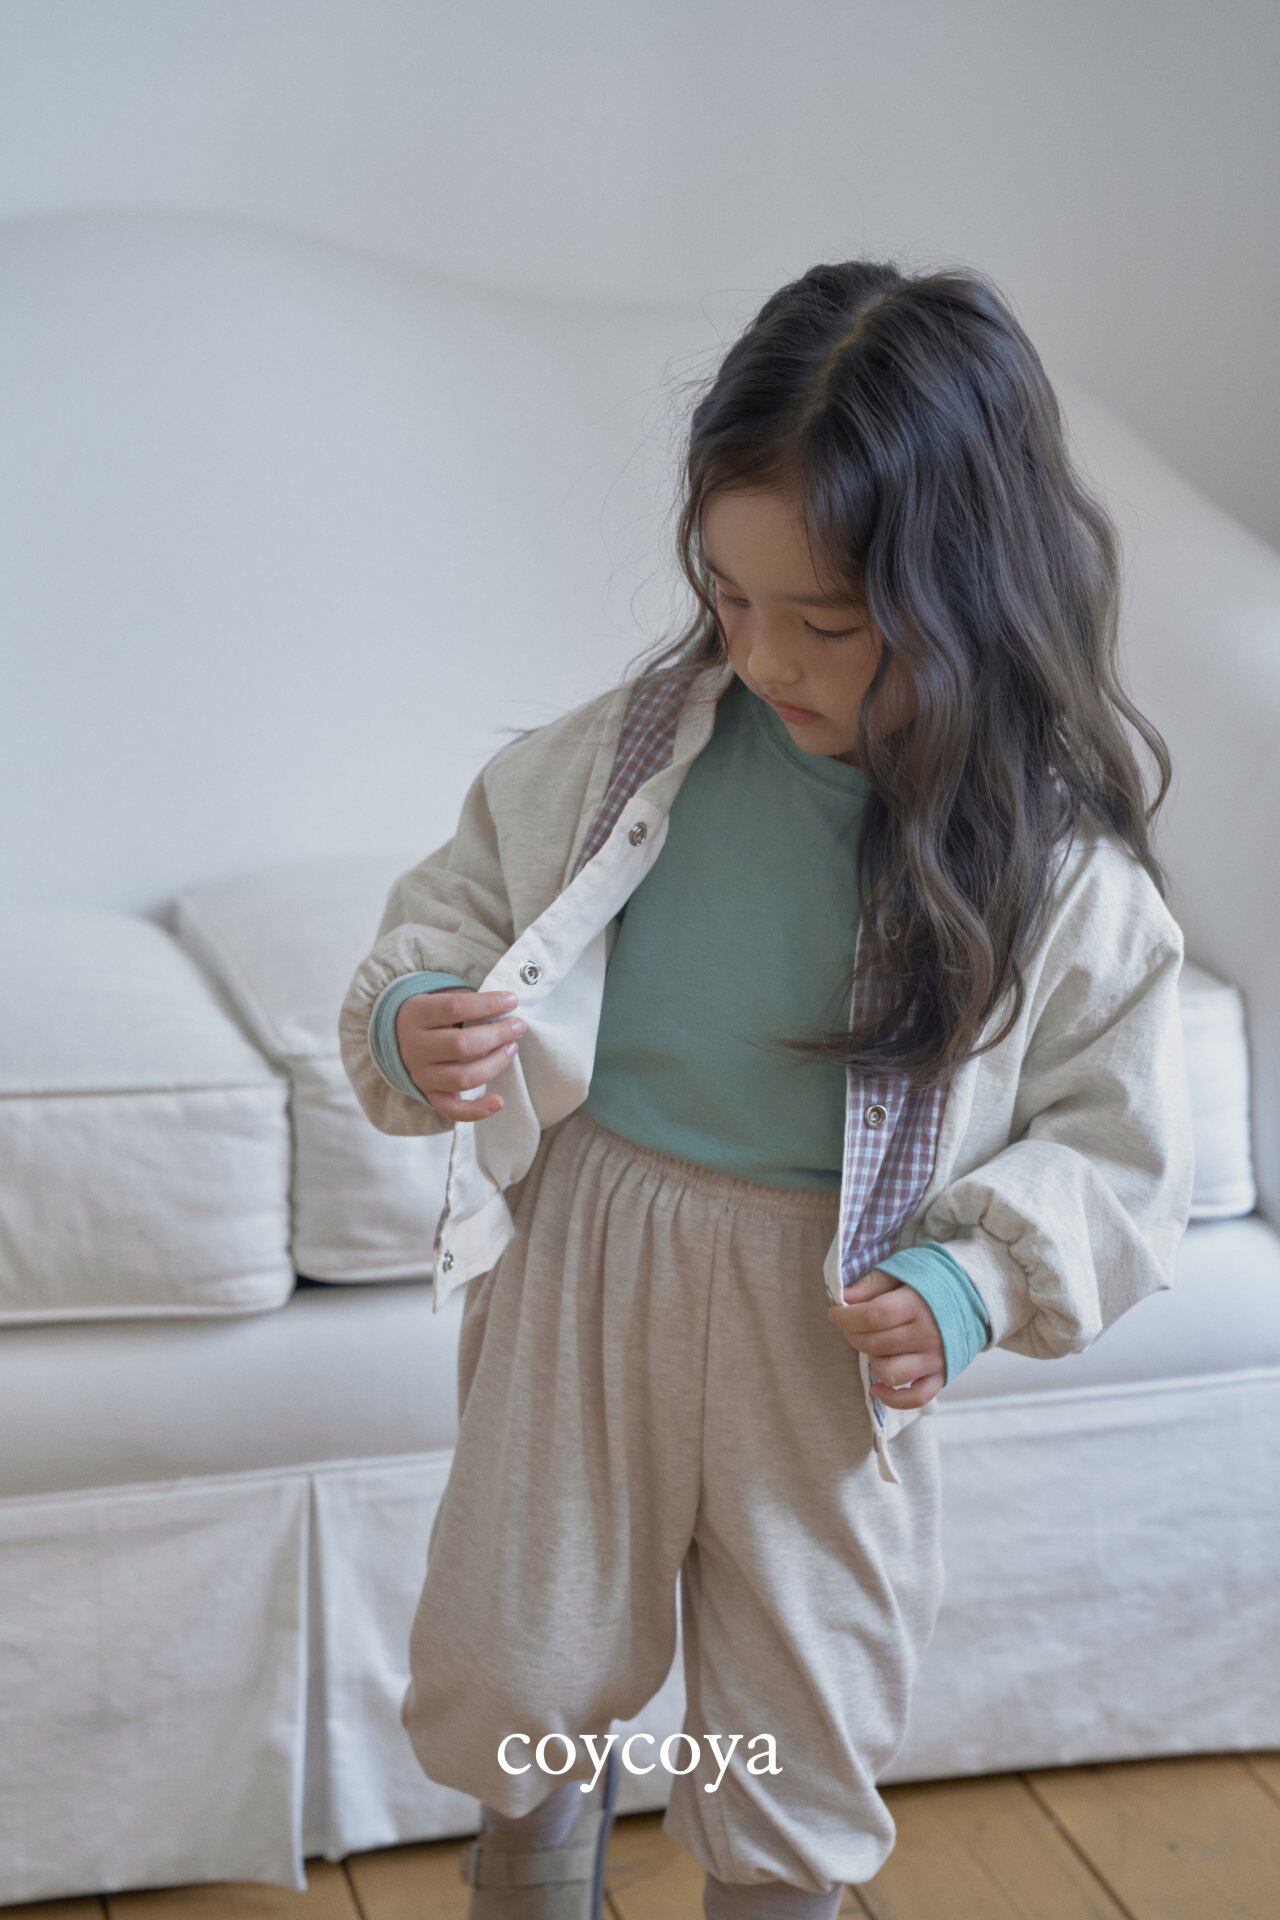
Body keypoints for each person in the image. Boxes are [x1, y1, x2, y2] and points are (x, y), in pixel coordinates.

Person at [338, 259, 1195, 1920]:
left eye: (827, 622)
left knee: (802, 1719)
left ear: (972, 597)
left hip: (834, 1316)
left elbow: (1123, 1145)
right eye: (730, 598)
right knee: (525, 1654)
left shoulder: (1053, 871)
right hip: (592, 1255)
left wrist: (973, 1279)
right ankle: (536, 1869)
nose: (763, 654)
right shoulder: (625, 757)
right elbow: (454, 911)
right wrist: (417, 1018)